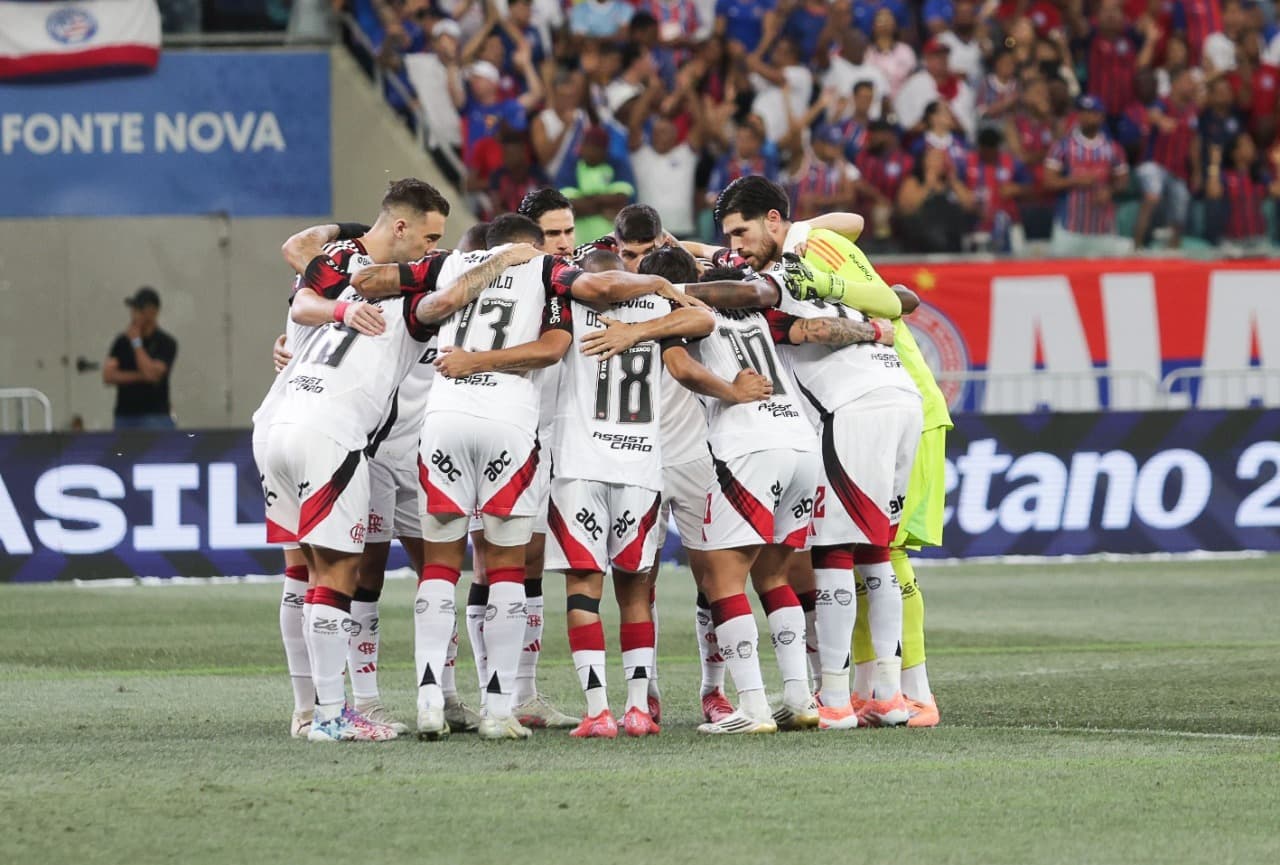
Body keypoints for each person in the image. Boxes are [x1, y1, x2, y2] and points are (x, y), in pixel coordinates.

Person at [264, 190, 521, 743]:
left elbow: (310, 294)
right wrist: (504, 261)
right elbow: (305, 255)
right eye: (430, 242)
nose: (435, 250)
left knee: (337, 572)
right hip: (348, 440)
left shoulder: (350, 286)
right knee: (335, 576)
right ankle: (329, 711)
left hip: (304, 425)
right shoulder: (398, 294)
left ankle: (388, 702)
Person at [546, 249, 714, 738]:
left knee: (583, 590)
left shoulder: (567, 305)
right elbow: (702, 321)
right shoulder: (660, 310)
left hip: (580, 467)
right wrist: (661, 288)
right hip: (640, 466)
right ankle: (638, 709)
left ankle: (598, 711)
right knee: (635, 591)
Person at [1044, 95, 1133, 256]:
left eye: (1092, 113)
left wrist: (1110, 191)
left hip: (1102, 227)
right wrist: (1075, 180)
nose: (1087, 117)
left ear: (1101, 117)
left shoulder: (1113, 148)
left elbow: (1123, 180)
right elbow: (1049, 181)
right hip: (1069, 227)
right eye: (1083, 112)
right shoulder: (1062, 146)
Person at [104, 288, 178, 430]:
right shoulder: (122, 341)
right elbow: (108, 375)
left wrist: (137, 344)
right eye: (133, 309)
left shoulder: (166, 343)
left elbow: (152, 375)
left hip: (156, 416)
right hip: (125, 416)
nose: (134, 314)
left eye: (139, 310)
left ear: (153, 312)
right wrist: (141, 376)